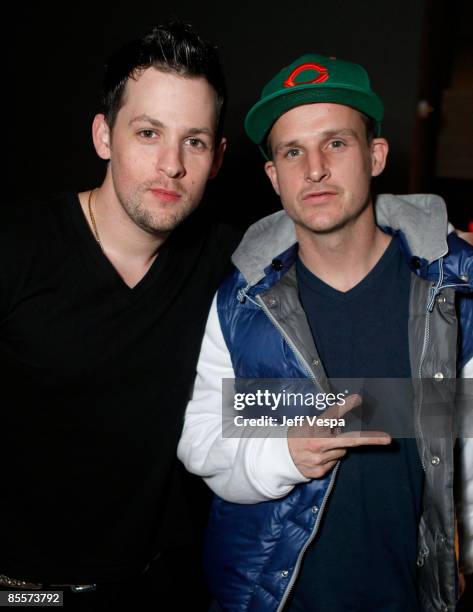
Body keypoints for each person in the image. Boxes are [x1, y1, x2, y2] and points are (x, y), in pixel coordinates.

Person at [178, 54, 473, 611]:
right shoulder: (242, 306)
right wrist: (285, 453)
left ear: (375, 155)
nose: (313, 168)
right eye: (292, 151)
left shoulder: (451, 297)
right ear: (274, 176)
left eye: (336, 143)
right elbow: (201, 443)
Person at [0, 21, 241, 610]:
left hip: (162, 587)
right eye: (148, 132)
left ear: (216, 159)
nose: (171, 165)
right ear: (103, 135)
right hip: (23, 594)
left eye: (195, 141)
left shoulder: (232, 265)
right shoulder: (15, 251)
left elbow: (257, 400)